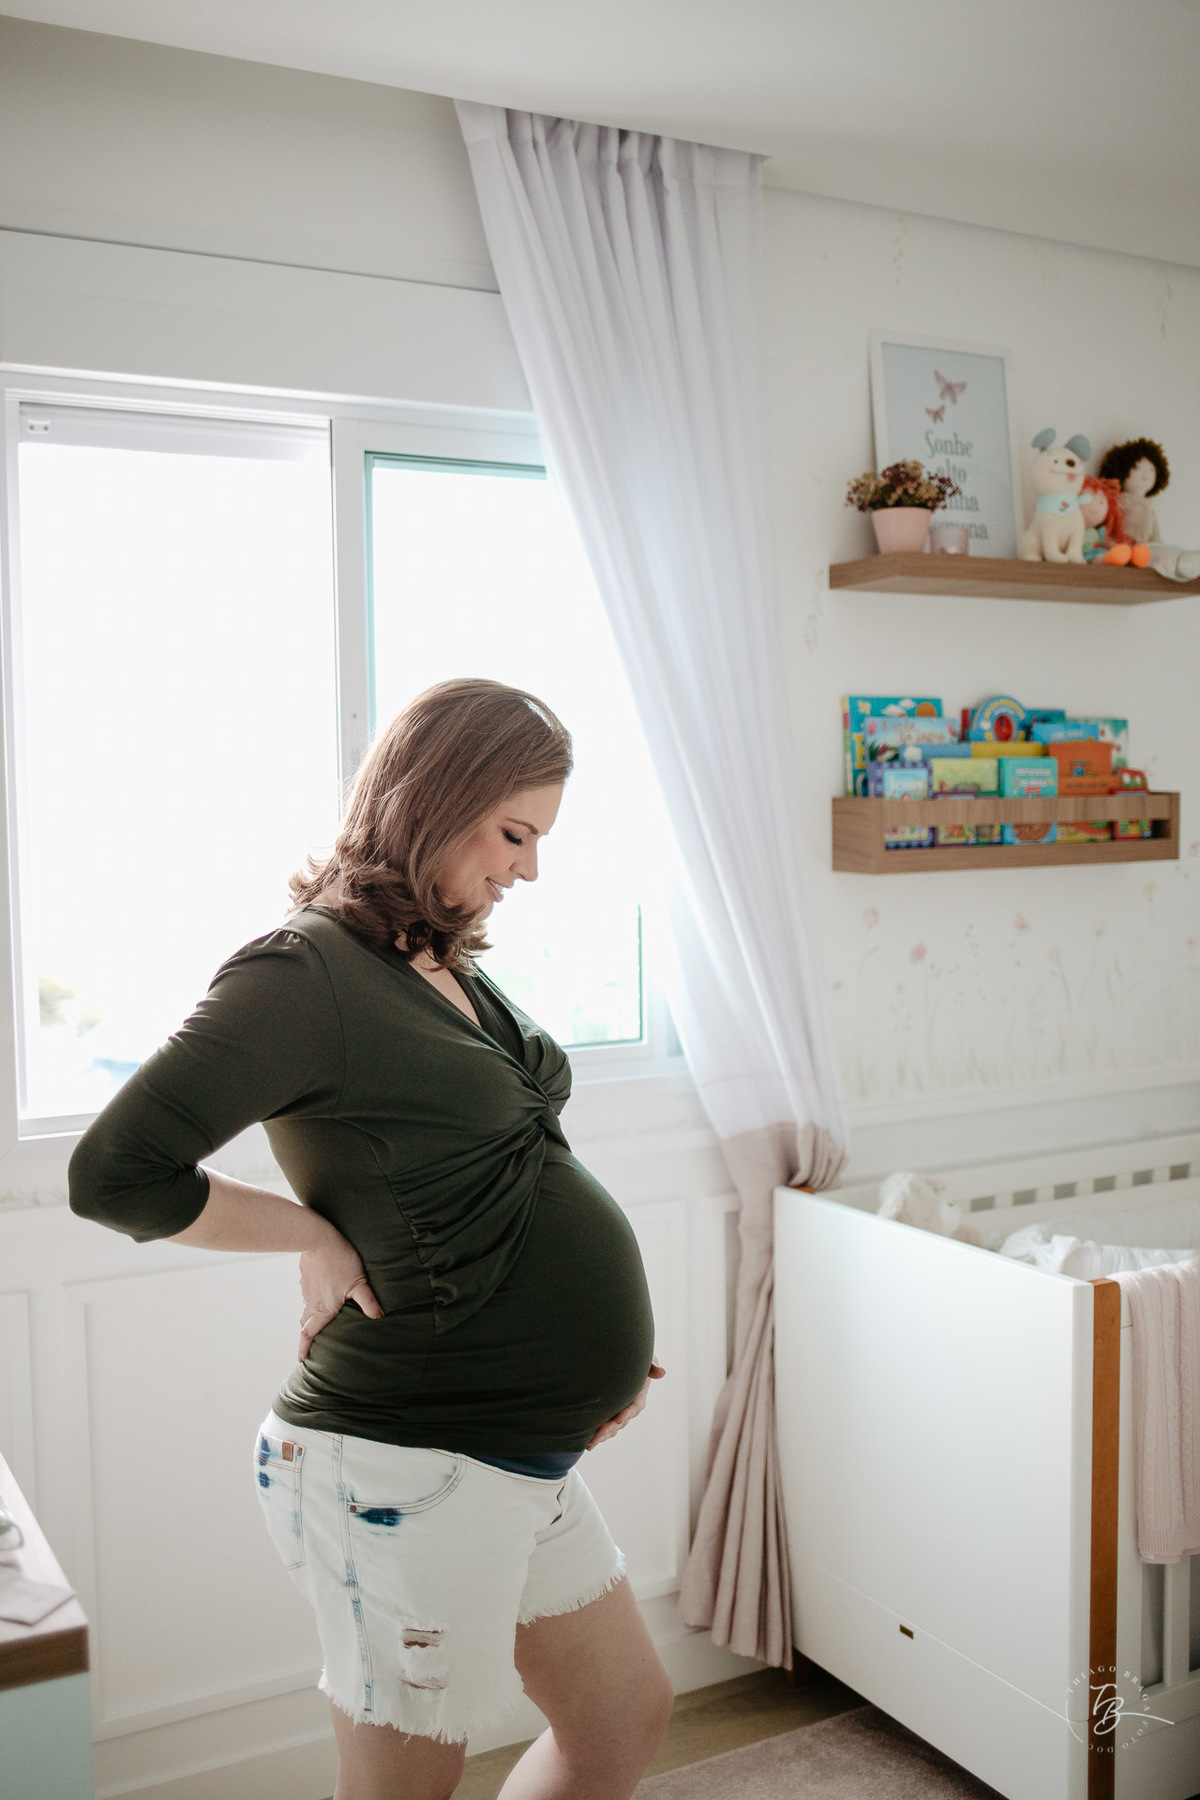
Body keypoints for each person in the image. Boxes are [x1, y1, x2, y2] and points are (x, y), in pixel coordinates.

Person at [69, 677, 673, 1800]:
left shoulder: (435, 957)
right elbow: (113, 1173)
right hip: (400, 1460)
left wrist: (587, 1360)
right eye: (513, 833)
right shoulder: (301, 974)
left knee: (624, 1718)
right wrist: (308, 1232)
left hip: (513, 1443)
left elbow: (477, 1173)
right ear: (436, 797)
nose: (529, 869)